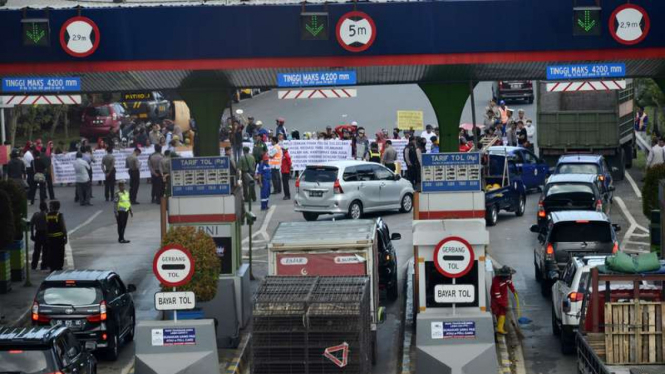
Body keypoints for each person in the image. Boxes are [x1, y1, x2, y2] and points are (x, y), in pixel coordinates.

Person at [491, 265, 518, 335]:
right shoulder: (496, 280)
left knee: (502, 312)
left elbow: (510, 284)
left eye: (507, 276)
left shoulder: (508, 277)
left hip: (504, 296)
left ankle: (500, 328)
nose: (506, 278)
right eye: (504, 277)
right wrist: (501, 303)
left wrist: (514, 291)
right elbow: (497, 293)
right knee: (497, 311)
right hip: (495, 298)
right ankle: (498, 325)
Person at [45, 200, 67, 272]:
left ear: (52, 207)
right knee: (60, 252)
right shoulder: (59, 215)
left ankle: (52, 266)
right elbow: (63, 227)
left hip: (50, 238)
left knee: (51, 253)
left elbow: (46, 227)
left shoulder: (47, 215)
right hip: (59, 238)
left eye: (50, 205)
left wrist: (46, 237)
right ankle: (59, 266)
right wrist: (65, 236)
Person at [30, 201, 48, 271]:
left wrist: (32, 234)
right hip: (45, 234)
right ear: (46, 207)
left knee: (36, 250)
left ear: (39, 207)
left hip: (38, 233)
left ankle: (34, 265)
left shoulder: (36, 214)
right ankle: (44, 265)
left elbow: (31, 224)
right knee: (45, 251)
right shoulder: (46, 215)